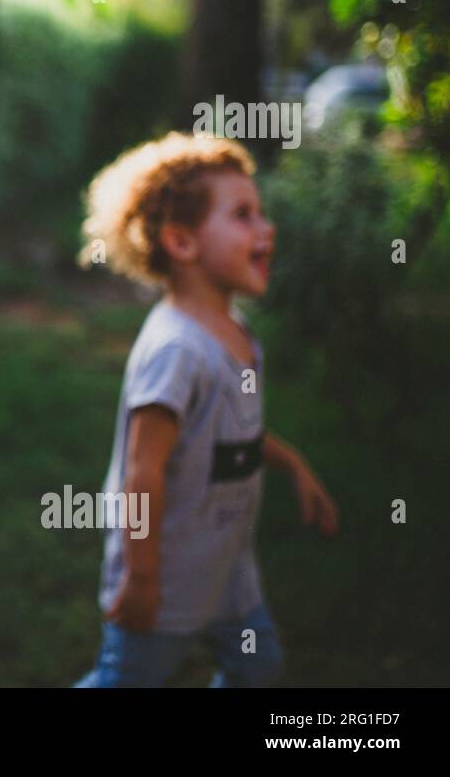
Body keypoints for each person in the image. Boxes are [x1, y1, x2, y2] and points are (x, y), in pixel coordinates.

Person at [73, 132, 340, 687]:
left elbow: (229, 433)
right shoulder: (176, 350)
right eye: (243, 215)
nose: (266, 229)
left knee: (258, 666)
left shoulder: (236, 333)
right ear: (182, 241)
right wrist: (143, 580)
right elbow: (141, 474)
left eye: (261, 213)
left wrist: (293, 465)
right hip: (167, 576)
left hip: (227, 569)